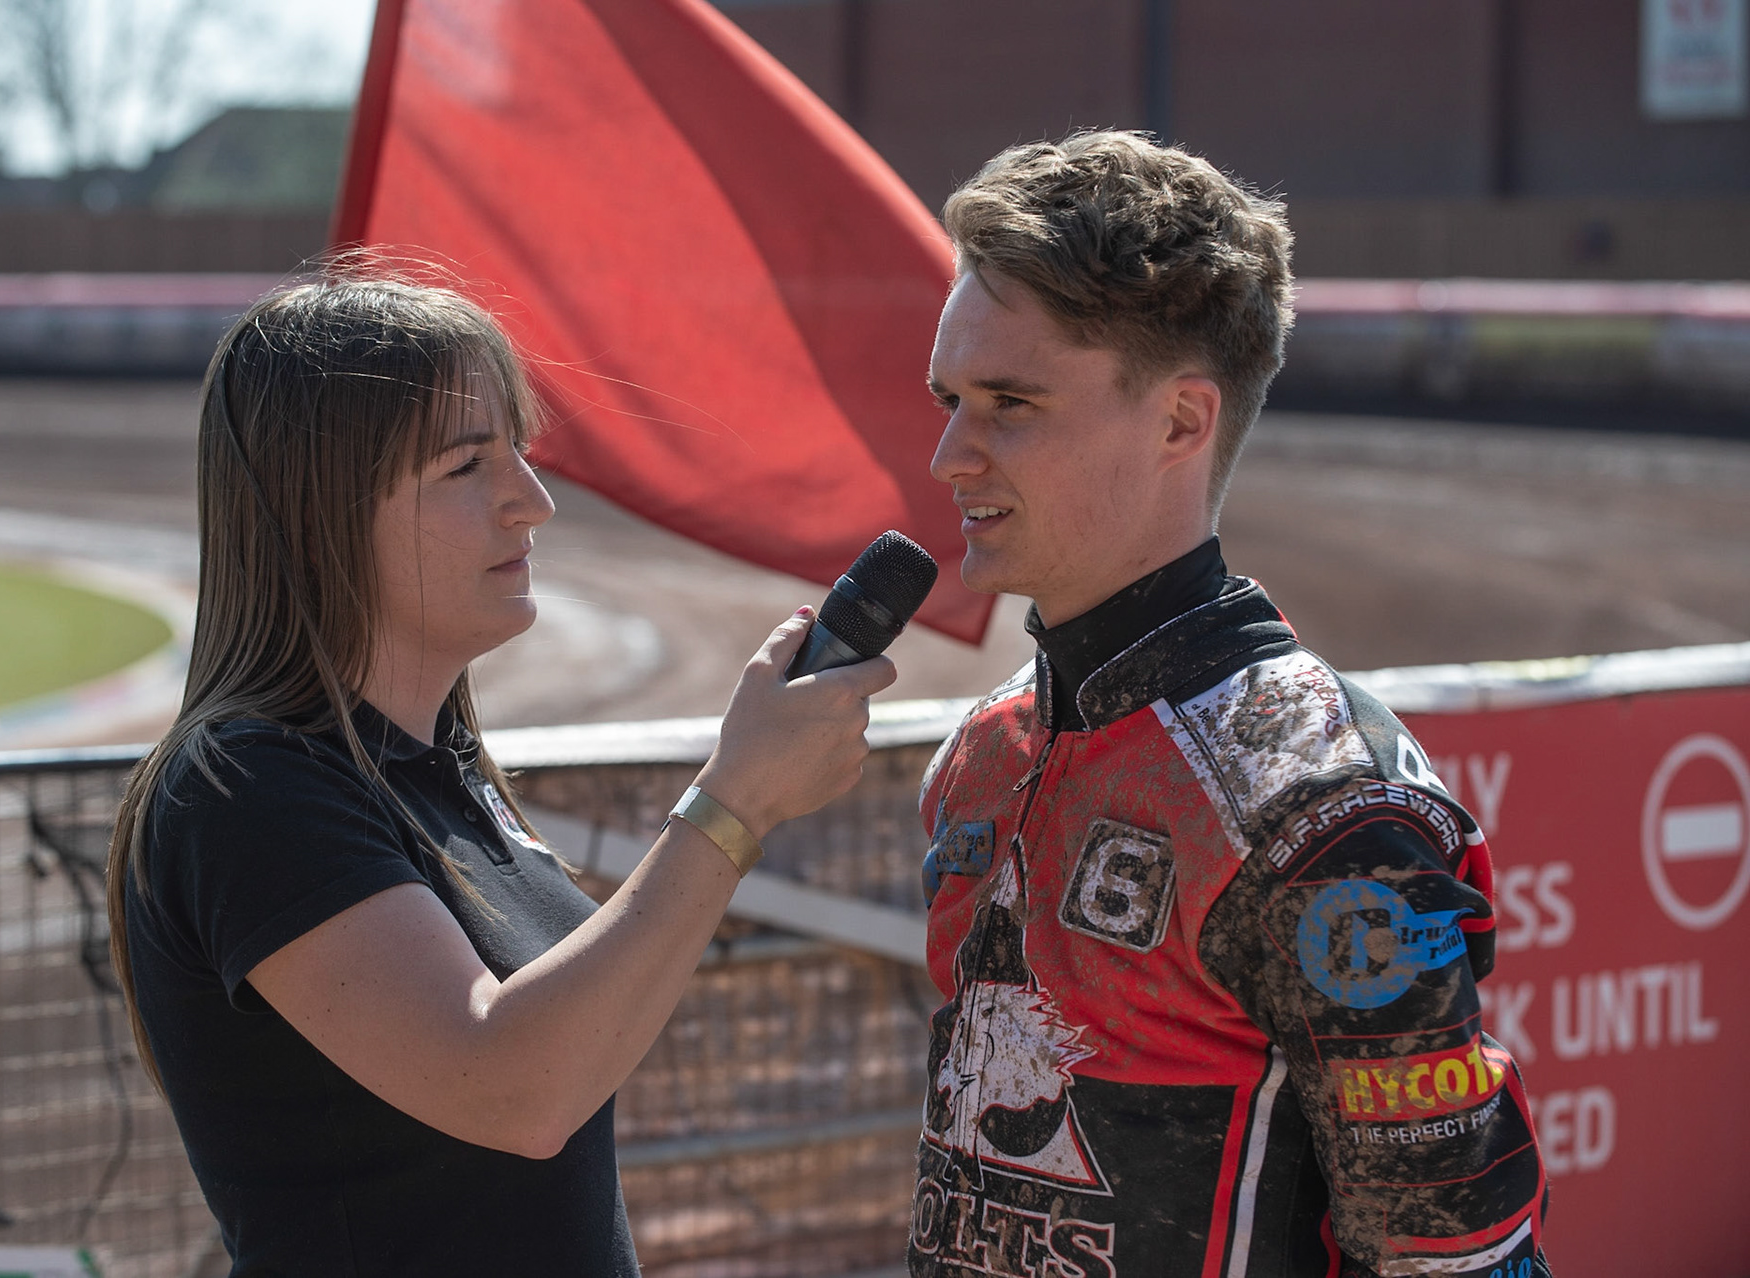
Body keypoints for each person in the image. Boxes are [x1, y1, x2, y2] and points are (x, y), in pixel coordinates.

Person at [103, 271, 896, 1276]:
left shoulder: (441, 770)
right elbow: (515, 1090)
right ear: (324, 511)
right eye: (468, 466)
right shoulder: (244, 787)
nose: (533, 502)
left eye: (518, 451)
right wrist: (736, 802)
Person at [907, 132, 1551, 1277]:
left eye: (1010, 402)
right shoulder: (982, 752)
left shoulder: (1318, 807)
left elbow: (1464, 1260)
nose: (953, 452)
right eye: (951, 397)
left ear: (1181, 423)